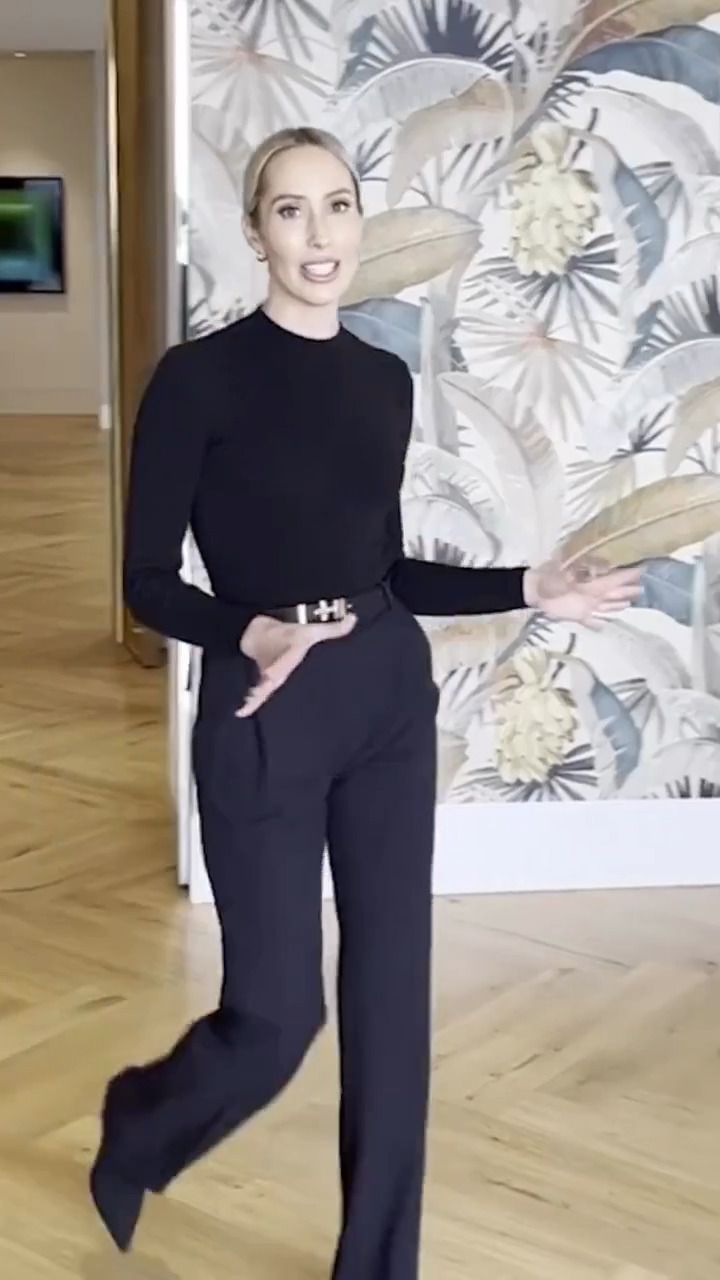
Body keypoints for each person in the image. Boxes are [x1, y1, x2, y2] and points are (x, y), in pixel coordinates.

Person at [89, 126, 642, 1276]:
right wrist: (245, 627)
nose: (318, 232)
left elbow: (384, 569)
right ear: (256, 232)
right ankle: (140, 1121)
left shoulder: (383, 380)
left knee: (393, 1001)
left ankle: (380, 1263)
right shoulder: (197, 378)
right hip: (265, 698)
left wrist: (529, 585)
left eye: (336, 204)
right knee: (277, 1013)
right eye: (289, 209)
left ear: (358, 220)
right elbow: (144, 581)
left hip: (385, 690)